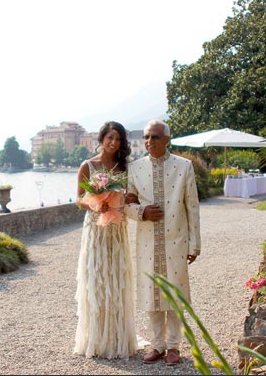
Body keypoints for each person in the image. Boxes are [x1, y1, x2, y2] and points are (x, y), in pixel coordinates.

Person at [124, 119, 201, 366]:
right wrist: (142, 212)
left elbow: (192, 207)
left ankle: (174, 346)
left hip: (175, 240)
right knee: (151, 294)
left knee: (174, 294)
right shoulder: (135, 168)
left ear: (167, 139)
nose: (149, 142)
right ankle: (157, 344)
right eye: (146, 137)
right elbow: (126, 204)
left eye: (155, 137)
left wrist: (194, 244)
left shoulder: (184, 167)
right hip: (147, 240)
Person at [73, 121, 138, 359]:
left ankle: (118, 338)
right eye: (110, 138)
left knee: (117, 280)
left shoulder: (124, 167)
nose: (114, 143)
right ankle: (96, 338)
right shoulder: (88, 165)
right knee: (97, 281)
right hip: (96, 231)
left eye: (118, 139)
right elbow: (78, 199)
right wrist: (94, 202)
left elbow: (131, 196)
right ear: (101, 139)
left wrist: (126, 197)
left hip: (117, 230)